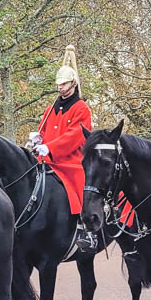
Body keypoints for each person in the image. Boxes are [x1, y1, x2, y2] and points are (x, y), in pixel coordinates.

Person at [31, 45, 92, 215]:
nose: (60, 87)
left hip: (70, 161)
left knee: (81, 185)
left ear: (73, 83)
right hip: (45, 159)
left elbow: (75, 136)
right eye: (58, 84)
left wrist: (51, 148)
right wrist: (38, 140)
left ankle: (84, 223)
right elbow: (43, 131)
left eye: (64, 84)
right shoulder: (51, 108)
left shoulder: (81, 108)